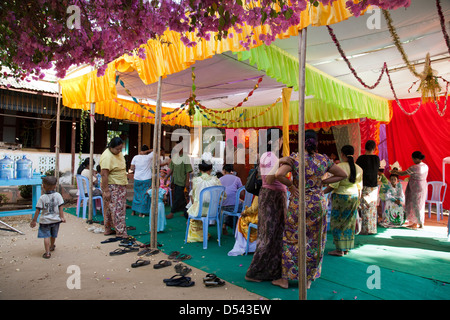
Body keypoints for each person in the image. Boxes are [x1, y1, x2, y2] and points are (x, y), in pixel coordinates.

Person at [271, 130, 347, 289]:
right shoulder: (323, 160)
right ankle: (307, 280)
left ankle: (285, 279)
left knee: (292, 238)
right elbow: (342, 175)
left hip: (298, 203)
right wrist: (322, 183)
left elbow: (279, 174)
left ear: (300, 141)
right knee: (315, 241)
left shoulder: (295, 158)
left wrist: (291, 186)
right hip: (317, 204)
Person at [245, 128, 286, 283]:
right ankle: (254, 272)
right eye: (281, 140)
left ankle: (271, 270)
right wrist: (282, 163)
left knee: (275, 235)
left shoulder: (270, 156)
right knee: (268, 236)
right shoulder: (269, 156)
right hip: (271, 198)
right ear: (277, 140)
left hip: (273, 197)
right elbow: (269, 180)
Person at [324, 145, 363, 257]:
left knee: (337, 222)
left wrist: (322, 192)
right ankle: (346, 247)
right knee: (349, 223)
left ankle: (339, 249)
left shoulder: (339, 167)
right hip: (354, 196)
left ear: (342, 154)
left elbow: (333, 185)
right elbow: (360, 187)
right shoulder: (358, 168)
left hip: (341, 197)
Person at [186, 160, 223, 243]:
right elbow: (222, 195)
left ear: (199, 169)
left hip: (199, 211)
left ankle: (197, 234)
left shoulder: (196, 180)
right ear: (210, 169)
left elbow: (194, 196)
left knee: (193, 205)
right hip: (213, 211)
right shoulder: (216, 180)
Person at [30, 176, 66, 259]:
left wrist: (34, 221)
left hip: (45, 221)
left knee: (46, 236)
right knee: (53, 235)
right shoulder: (58, 195)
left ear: (43, 186)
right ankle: (52, 246)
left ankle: (47, 253)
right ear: (55, 186)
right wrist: (62, 217)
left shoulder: (42, 198)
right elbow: (61, 207)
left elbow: (38, 210)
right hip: (56, 220)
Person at [99, 137, 128, 238]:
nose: (119, 151)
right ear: (111, 147)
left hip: (119, 183)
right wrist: (106, 190)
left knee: (109, 207)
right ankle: (120, 232)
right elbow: (104, 174)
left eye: (121, 149)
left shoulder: (117, 153)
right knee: (117, 208)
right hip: (113, 185)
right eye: (117, 149)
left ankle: (108, 229)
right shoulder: (107, 156)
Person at [391, 151, 429, 229]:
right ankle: (416, 222)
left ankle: (420, 223)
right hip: (423, 186)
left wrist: (395, 171)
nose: (413, 161)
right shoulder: (425, 166)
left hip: (415, 187)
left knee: (415, 205)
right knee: (420, 204)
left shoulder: (414, 167)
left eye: (413, 159)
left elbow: (402, 174)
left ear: (416, 159)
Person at [130, 145, 170, 217]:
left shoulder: (135, 157)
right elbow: (157, 149)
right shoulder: (149, 157)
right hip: (146, 179)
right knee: (144, 195)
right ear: (147, 151)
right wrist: (147, 151)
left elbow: (132, 168)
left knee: (136, 194)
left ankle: (133, 211)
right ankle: (141, 212)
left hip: (137, 178)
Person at [356, 140, 380, 235]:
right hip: (374, 186)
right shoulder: (376, 158)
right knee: (372, 207)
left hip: (364, 185)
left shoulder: (361, 158)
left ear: (365, 147)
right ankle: (372, 229)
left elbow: (357, 170)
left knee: (364, 207)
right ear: (374, 148)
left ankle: (365, 229)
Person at [166, 149, 193, 219]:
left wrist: (187, 181)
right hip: (175, 180)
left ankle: (172, 212)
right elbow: (171, 169)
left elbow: (188, 171)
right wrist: (166, 178)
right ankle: (186, 211)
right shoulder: (174, 157)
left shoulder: (185, 158)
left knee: (177, 197)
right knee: (180, 196)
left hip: (182, 180)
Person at [219, 164, 243, 235]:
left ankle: (225, 224)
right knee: (241, 206)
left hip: (223, 206)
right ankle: (239, 229)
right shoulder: (237, 179)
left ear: (224, 171)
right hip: (235, 207)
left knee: (228, 207)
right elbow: (241, 194)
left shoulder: (220, 179)